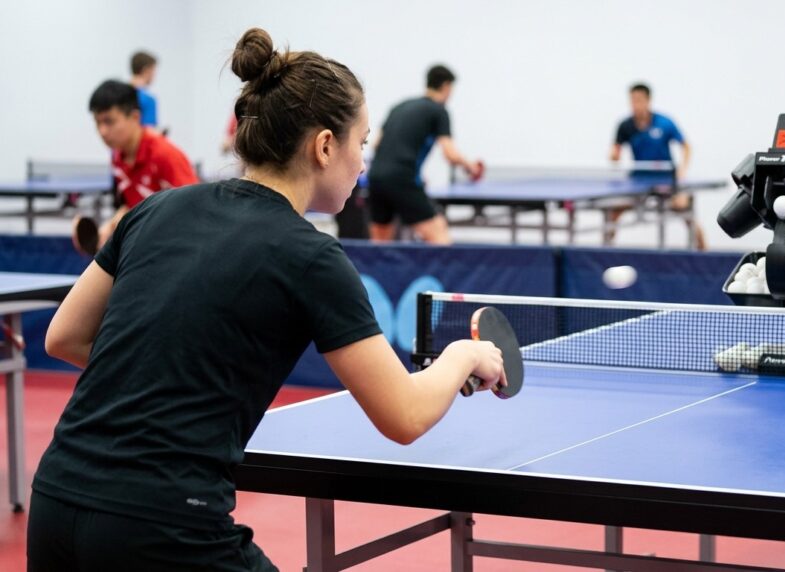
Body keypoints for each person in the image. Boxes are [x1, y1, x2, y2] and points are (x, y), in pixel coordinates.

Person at [28, 28, 506, 571]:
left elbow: (63, 337)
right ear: (325, 146)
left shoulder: (154, 210)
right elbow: (405, 414)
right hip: (163, 525)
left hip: (56, 501)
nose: (363, 165)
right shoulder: (313, 257)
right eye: (362, 143)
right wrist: (464, 356)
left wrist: (175, 378)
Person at [71, 80, 198, 256]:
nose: (102, 131)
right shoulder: (117, 157)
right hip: (145, 248)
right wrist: (111, 224)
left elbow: (195, 209)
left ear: (135, 117)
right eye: (97, 123)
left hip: (176, 251)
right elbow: (133, 203)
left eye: (109, 121)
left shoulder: (165, 155)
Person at [367, 64, 482, 245]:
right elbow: (450, 155)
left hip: (376, 176)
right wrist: (471, 167)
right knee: (439, 234)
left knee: (380, 243)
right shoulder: (439, 110)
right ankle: (443, 275)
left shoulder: (399, 107)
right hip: (402, 178)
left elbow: (376, 144)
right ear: (446, 86)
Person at [609, 83, 705, 250]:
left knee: (685, 211)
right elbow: (615, 152)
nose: (635, 104)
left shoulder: (664, 123)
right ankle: (605, 250)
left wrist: (682, 170)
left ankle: (705, 251)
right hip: (638, 181)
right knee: (614, 211)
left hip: (666, 179)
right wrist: (614, 156)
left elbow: (686, 146)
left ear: (648, 101)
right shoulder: (625, 126)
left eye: (639, 100)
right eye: (632, 100)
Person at [130, 51, 159, 127]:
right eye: (153, 70)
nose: (154, 75)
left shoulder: (118, 96)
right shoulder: (148, 100)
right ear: (146, 70)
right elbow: (149, 130)